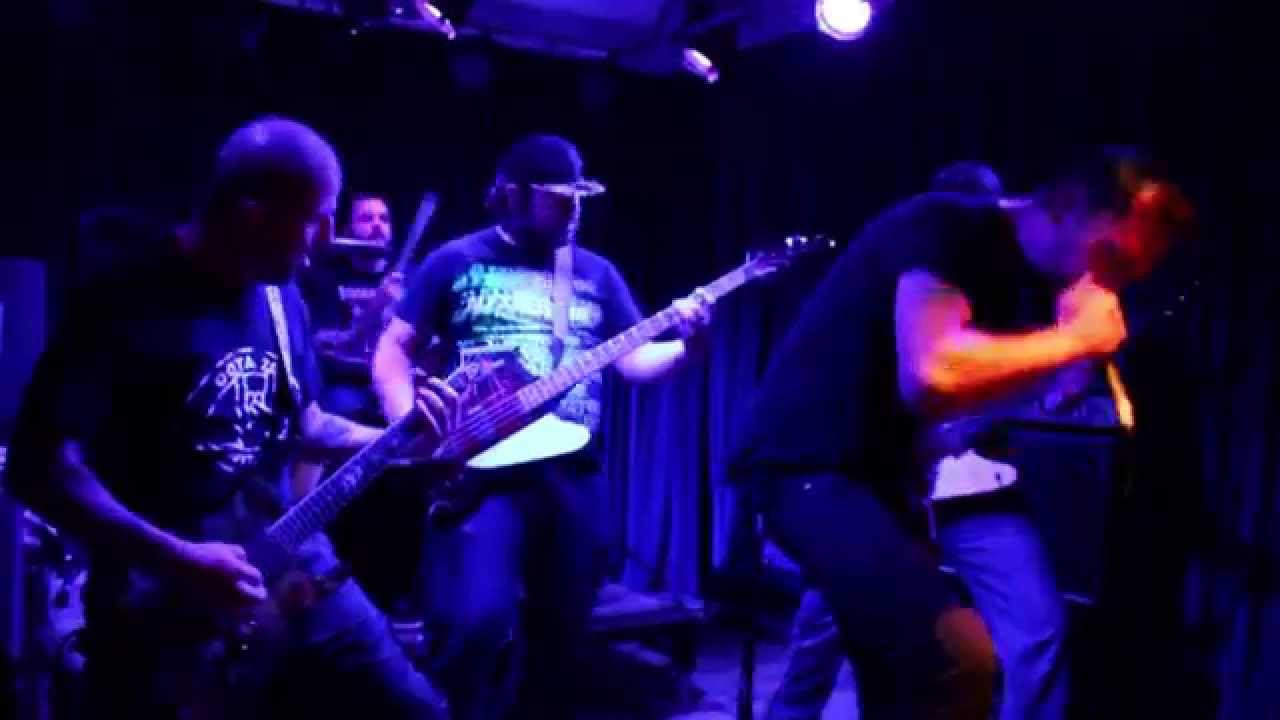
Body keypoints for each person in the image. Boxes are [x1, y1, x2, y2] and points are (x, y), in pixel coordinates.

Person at [5, 116, 459, 719]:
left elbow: (307, 423)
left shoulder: (281, 295)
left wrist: (400, 440)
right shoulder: (123, 301)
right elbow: (39, 467)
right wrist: (179, 560)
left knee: (419, 710)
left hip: (293, 562)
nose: (328, 239)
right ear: (250, 215)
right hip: (164, 599)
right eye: (315, 218)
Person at [730, 146, 1191, 719]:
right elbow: (932, 374)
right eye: (1111, 257)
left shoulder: (1029, 280)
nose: (1111, 283)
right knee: (955, 659)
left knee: (901, 675)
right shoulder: (948, 226)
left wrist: (1059, 371)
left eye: (1130, 273)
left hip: (881, 478)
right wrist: (1075, 341)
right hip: (806, 464)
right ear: (1067, 204)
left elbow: (953, 407)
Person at [372, 133, 713, 718]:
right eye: (559, 198)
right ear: (511, 195)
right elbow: (392, 350)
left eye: (579, 198)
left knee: (561, 637)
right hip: (482, 475)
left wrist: (690, 347)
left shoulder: (597, 273)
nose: (574, 210)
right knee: (476, 623)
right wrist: (413, 427)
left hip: (573, 475)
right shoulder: (454, 260)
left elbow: (634, 362)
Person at [766, 161, 1078, 720]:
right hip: (878, 490)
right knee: (825, 636)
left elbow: (1045, 392)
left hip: (975, 489)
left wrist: (1056, 371)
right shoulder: (903, 278)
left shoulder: (1012, 290)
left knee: (1036, 629)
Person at [300, 191, 403, 423]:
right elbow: (324, 345)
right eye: (366, 219)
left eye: (384, 219)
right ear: (348, 229)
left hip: (396, 379)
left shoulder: (408, 277)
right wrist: (374, 310)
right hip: (348, 384)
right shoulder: (325, 279)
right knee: (341, 405)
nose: (377, 225)